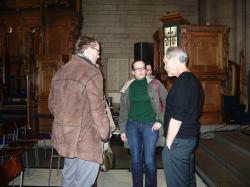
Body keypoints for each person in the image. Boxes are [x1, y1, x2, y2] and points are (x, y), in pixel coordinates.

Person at [48, 35, 110, 187]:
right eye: (98, 51)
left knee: (68, 179)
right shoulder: (92, 72)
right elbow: (98, 109)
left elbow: (51, 105)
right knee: (84, 183)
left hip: (66, 138)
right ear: (88, 49)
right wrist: (105, 135)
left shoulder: (61, 71)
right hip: (85, 139)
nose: (99, 55)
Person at [119, 59, 168, 187]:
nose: (140, 71)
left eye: (142, 68)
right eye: (137, 69)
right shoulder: (128, 86)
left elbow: (167, 102)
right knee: (135, 160)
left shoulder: (155, 84)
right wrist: (122, 129)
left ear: (146, 70)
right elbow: (123, 109)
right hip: (132, 125)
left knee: (149, 160)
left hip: (150, 125)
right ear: (133, 72)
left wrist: (160, 121)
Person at [162, 47, 204, 187]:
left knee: (177, 182)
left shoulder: (183, 83)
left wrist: (168, 145)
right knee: (187, 180)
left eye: (165, 62)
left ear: (174, 60)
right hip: (188, 138)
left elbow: (177, 118)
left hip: (179, 141)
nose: (164, 66)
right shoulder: (193, 80)